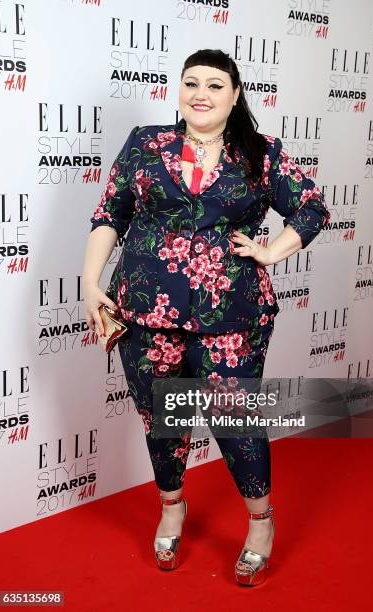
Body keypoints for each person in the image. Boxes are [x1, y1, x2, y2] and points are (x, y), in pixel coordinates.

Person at [82, 49, 330, 586]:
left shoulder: (259, 154)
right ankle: (173, 507)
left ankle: (260, 523)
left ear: (235, 94)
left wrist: (271, 250)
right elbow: (111, 214)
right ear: (178, 90)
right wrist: (89, 280)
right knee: (162, 419)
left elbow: (311, 206)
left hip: (232, 313)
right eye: (191, 82)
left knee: (235, 423)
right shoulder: (146, 145)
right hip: (146, 309)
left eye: (215, 85)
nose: (201, 93)